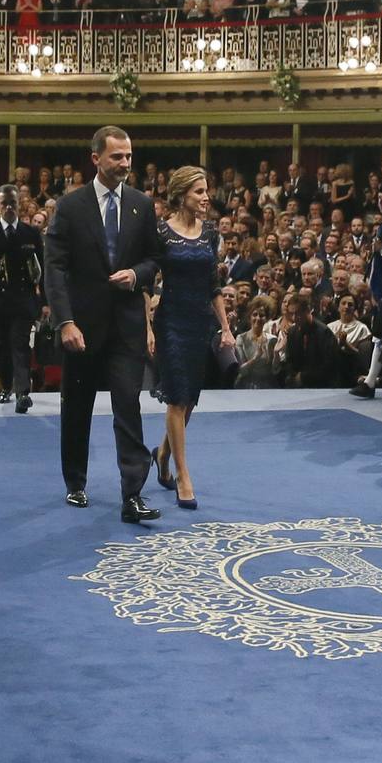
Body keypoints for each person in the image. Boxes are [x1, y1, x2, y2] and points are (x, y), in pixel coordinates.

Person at [43, 126, 163, 522]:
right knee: (77, 408)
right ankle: (75, 482)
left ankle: (133, 495)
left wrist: (136, 275)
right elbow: (56, 270)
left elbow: (153, 260)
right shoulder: (71, 206)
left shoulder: (141, 205)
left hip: (127, 325)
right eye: (117, 157)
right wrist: (65, 322)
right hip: (82, 327)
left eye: (129, 156)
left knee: (128, 405)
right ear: (96, 158)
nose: (126, 164)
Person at [146, 166, 233, 511]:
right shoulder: (162, 233)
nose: (206, 197)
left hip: (201, 323)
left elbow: (214, 285)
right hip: (171, 322)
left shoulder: (210, 233)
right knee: (177, 399)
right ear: (181, 193)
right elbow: (148, 281)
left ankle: (164, 453)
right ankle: (183, 474)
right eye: (199, 191)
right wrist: (147, 326)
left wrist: (225, 328)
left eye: (206, 191)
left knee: (190, 399)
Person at [0, 184, 43, 413]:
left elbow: (42, 270)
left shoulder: (30, 233)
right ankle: (5, 387)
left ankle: (23, 393)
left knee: (20, 345)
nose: (8, 208)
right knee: (1, 346)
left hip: (23, 301)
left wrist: (44, 303)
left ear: (19, 204)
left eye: (12, 203)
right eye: (4, 203)